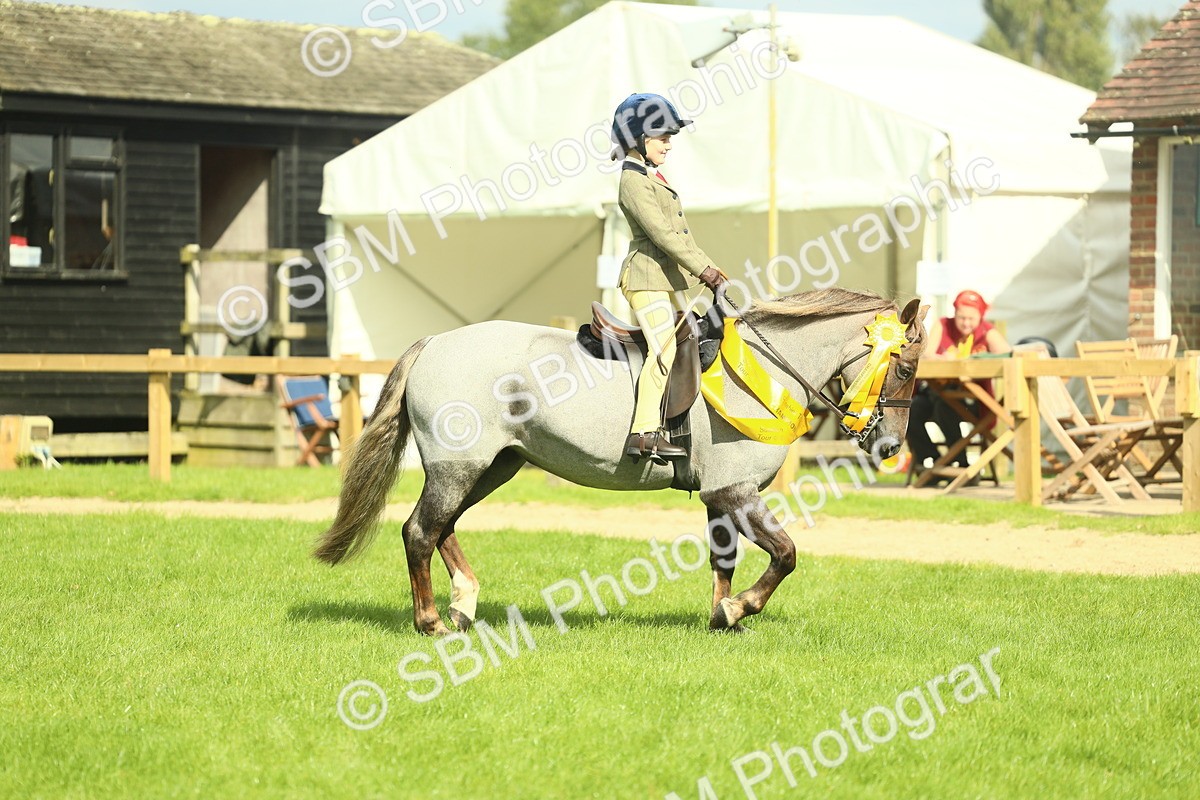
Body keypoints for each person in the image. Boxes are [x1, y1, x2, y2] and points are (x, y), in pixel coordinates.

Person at [610, 93, 727, 463]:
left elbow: (681, 236)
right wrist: (702, 269)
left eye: (670, 137)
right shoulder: (632, 180)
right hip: (645, 278)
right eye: (662, 137)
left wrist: (712, 267)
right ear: (637, 139)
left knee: (697, 337)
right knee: (665, 347)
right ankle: (642, 433)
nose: (669, 144)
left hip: (665, 277)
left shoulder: (650, 176)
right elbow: (662, 233)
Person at [906, 289, 1011, 477]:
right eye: (961, 318)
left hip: (972, 399)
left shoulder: (987, 331)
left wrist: (982, 359)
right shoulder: (943, 325)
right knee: (910, 410)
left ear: (981, 316)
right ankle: (930, 462)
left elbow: (1008, 355)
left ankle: (961, 464)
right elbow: (927, 354)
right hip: (935, 391)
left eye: (971, 318)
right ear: (954, 314)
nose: (966, 323)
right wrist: (939, 358)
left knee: (944, 408)